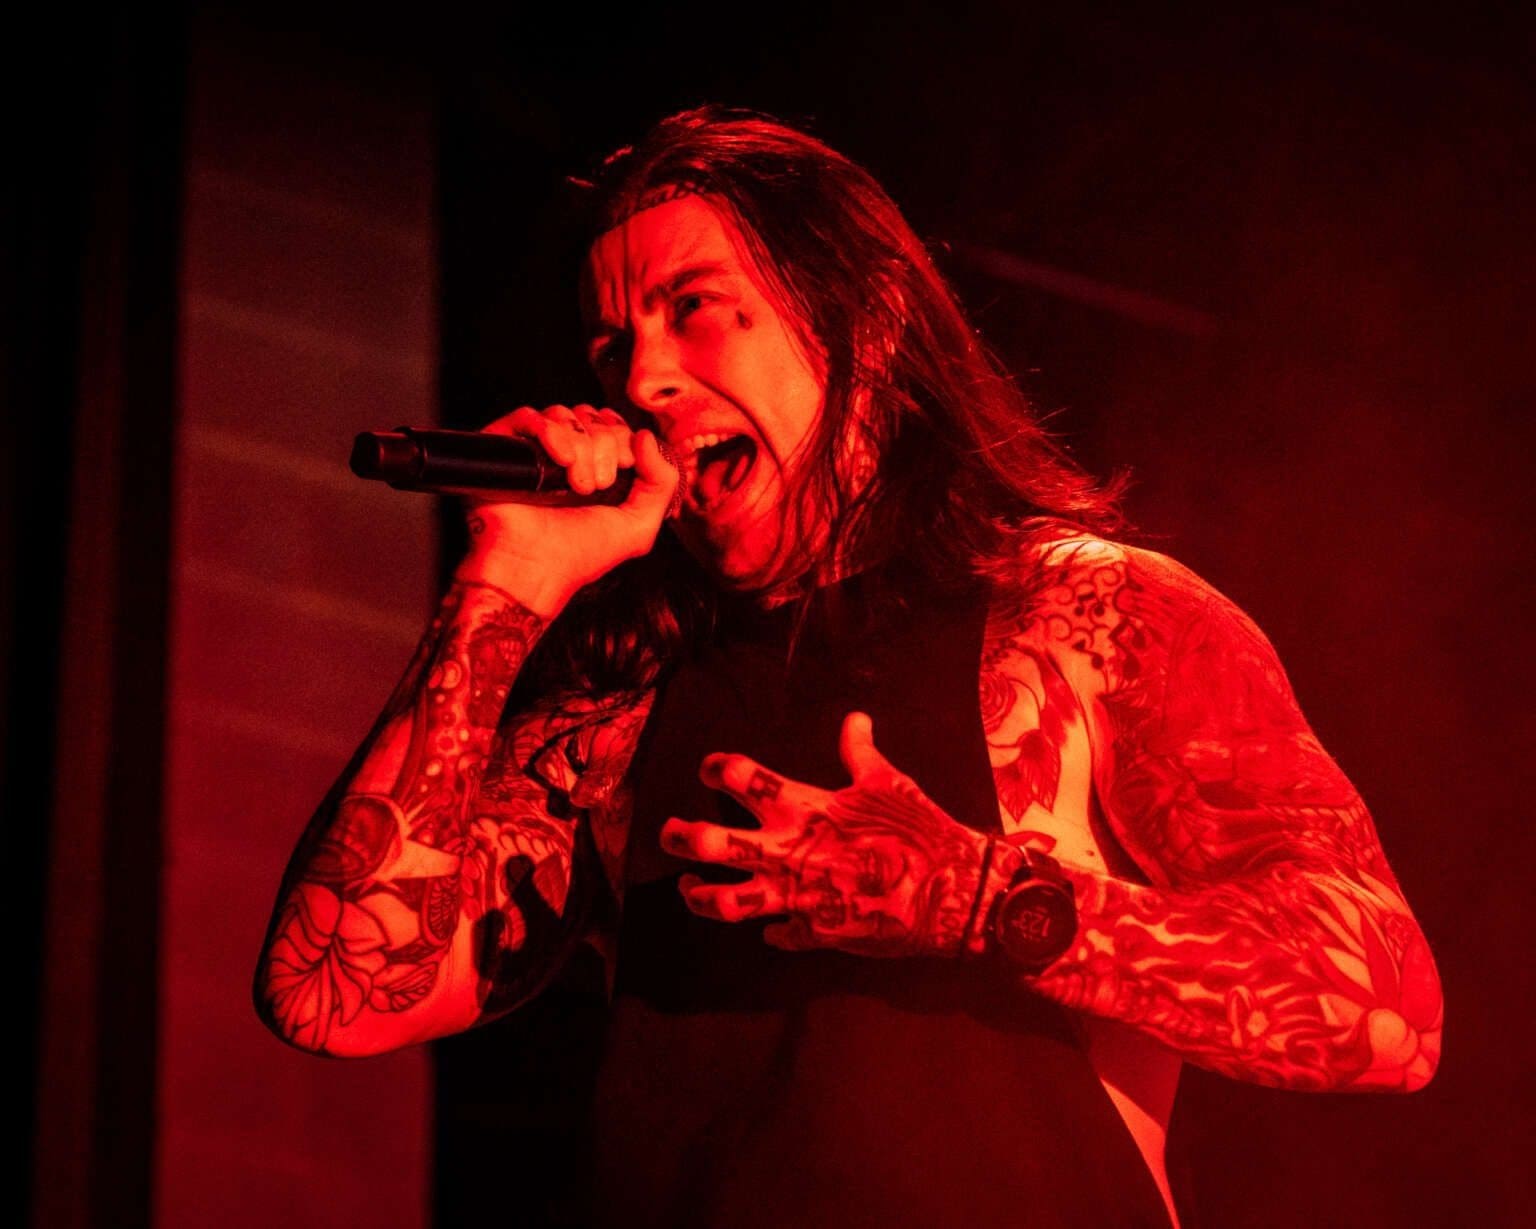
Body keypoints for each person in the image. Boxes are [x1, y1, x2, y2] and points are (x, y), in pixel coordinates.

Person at [254, 107, 1442, 1228]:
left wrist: (973, 897)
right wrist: (505, 579)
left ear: (862, 322)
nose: (641, 380)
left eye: (694, 309)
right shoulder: (619, 707)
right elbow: (329, 992)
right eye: (612, 345)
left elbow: (1386, 1012)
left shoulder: (1088, 612)